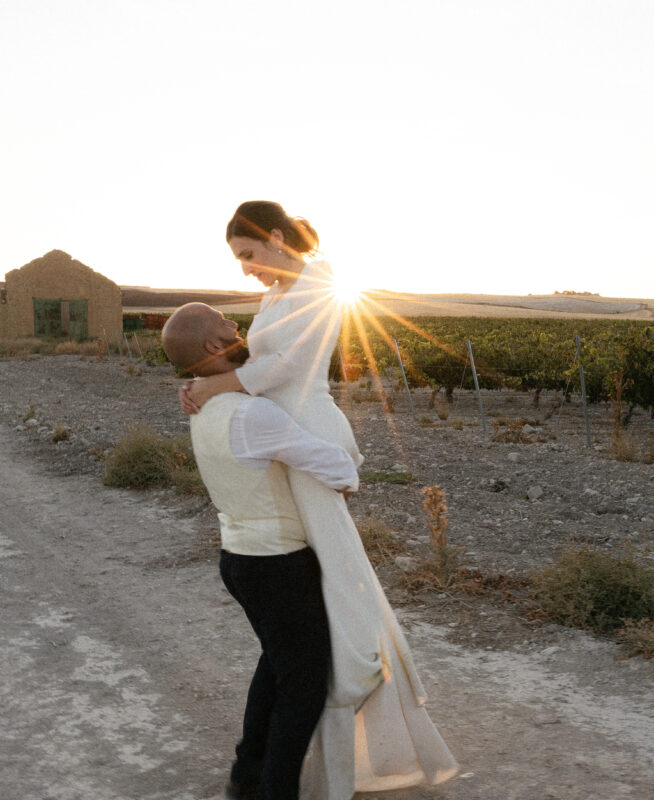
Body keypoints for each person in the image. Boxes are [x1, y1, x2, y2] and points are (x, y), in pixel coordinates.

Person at [180, 201, 459, 799]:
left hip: (303, 430)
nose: (246, 270)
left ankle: (326, 735)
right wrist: (204, 377)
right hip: (283, 432)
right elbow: (255, 358)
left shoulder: (321, 283)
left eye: (248, 255)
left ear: (276, 237)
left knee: (333, 585)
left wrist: (213, 383)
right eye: (239, 261)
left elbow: (284, 362)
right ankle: (280, 766)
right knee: (306, 615)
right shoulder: (277, 292)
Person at [162, 302, 359, 800]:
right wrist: (346, 462)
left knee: (276, 663)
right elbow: (336, 467)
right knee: (304, 686)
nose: (236, 327)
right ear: (213, 346)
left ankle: (248, 773)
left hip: (238, 558)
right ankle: (274, 790)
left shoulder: (204, 404)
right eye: (226, 324)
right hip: (279, 564)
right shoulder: (254, 412)